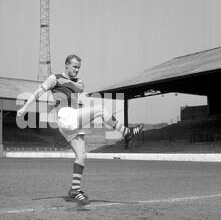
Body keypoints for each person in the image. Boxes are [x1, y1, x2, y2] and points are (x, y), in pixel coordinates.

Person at [17, 54, 143, 205]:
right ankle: (127, 133)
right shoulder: (54, 78)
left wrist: (67, 81)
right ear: (67, 65)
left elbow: (80, 87)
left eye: (79, 68)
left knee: (82, 156)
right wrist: (24, 107)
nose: (77, 70)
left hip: (72, 121)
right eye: (75, 67)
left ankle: (74, 191)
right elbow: (38, 92)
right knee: (100, 109)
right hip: (66, 116)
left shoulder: (77, 81)